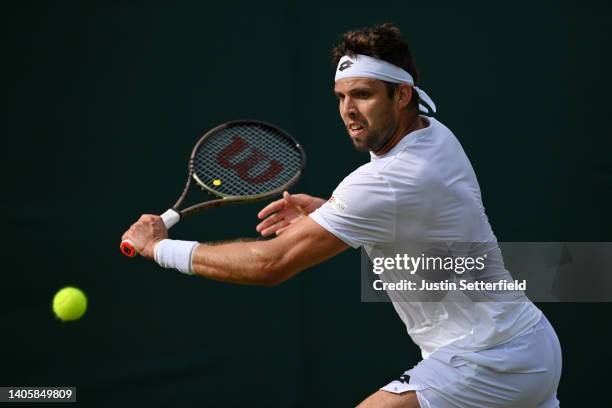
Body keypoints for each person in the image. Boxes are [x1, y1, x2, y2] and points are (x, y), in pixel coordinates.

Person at [122, 23, 562, 408]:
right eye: (341, 96)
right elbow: (400, 206)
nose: (348, 110)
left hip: (490, 357)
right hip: (523, 346)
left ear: (402, 94)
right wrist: (330, 209)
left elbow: (269, 265)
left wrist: (160, 247)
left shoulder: (385, 182)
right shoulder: (432, 133)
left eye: (364, 95)